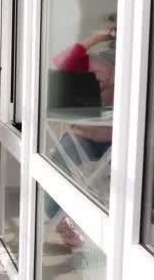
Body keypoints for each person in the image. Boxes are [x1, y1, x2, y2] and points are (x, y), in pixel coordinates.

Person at [47, 14, 116, 248]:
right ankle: (62, 222)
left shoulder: (141, 65)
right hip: (83, 136)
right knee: (52, 172)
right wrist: (96, 37)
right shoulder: (95, 60)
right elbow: (61, 61)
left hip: (120, 142)